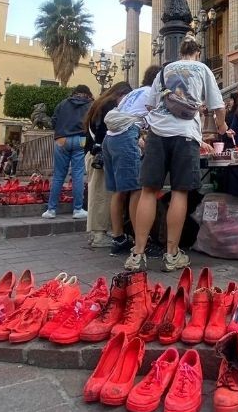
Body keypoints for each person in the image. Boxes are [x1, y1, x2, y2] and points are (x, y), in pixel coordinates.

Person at [125, 38, 227, 272]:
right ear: (198, 53)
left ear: (180, 53)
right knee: (180, 191)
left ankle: (137, 254)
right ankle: (171, 255)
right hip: (184, 135)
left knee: (148, 191)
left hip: (157, 134)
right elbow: (218, 106)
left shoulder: (164, 71)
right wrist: (221, 127)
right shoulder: (202, 69)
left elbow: (150, 106)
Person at [104, 65, 160, 255]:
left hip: (110, 138)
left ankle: (119, 238)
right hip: (126, 136)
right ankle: (140, 242)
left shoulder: (133, 93)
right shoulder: (152, 94)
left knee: (119, 191)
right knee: (137, 189)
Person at [83, 81, 132, 248]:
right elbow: (103, 132)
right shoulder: (109, 106)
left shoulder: (100, 104)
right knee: (101, 194)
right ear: (120, 94)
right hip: (100, 155)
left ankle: (97, 232)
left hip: (94, 154)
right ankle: (98, 234)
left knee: (101, 194)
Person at [43, 85, 94, 220]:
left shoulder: (63, 103)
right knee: (77, 175)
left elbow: (54, 121)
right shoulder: (90, 105)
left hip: (62, 139)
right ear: (87, 94)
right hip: (81, 140)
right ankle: (77, 210)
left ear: (74, 93)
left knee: (59, 175)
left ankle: (51, 210)